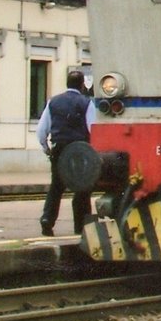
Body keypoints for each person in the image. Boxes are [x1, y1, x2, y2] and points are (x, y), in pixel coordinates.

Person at [37, 69, 95, 236]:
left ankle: (47, 220)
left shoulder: (53, 102)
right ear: (82, 84)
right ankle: (80, 225)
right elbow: (93, 128)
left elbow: (42, 130)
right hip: (79, 150)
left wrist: (46, 148)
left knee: (56, 186)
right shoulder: (86, 103)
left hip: (59, 148)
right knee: (82, 188)